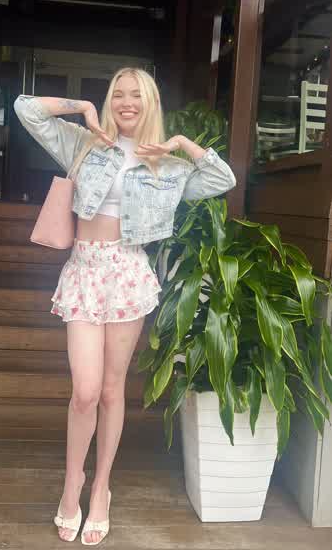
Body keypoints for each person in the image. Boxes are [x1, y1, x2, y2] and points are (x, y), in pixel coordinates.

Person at [13, 67, 236, 545]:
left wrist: (179, 143)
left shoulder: (168, 166)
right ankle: (71, 483)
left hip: (129, 274)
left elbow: (222, 178)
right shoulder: (84, 143)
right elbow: (26, 109)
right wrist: (81, 108)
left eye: (137, 95)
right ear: (109, 100)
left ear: (150, 102)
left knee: (112, 391)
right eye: (118, 94)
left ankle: (101, 489)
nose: (126, 102)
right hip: (84, 271)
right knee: (85, 391)